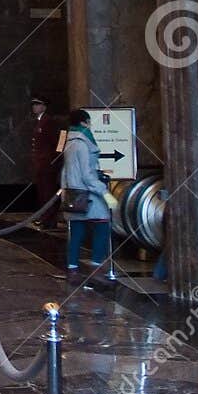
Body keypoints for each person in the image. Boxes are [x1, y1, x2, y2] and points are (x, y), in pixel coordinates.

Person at [61, 108, 114, 277]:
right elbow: (87, 174)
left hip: (73, 192)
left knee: (76, 230)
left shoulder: (69, 141)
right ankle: (97, 266)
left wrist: (65, 190)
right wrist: (104, 192)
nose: (90, 125)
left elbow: (65, 170)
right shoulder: (82, 144)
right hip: (87, 193)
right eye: (89, 122)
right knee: (102, 224)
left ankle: (72, 267)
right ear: (84, 122)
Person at [29, 94, 63, 229]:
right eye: (33, 105)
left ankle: (49, 219)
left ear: (44, 106)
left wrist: (55, 159)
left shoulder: (49, 122)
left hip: (48, 164)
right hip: (41, 164)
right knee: (43, 192)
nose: (34, 107)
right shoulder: (40, 121)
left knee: (48, 192)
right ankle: (45, 217)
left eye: (37, 104)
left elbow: (59, 140)